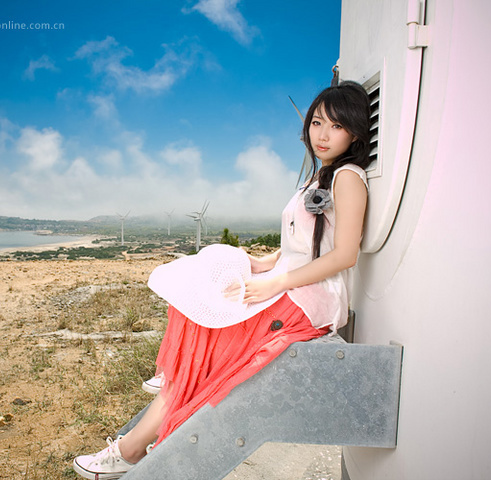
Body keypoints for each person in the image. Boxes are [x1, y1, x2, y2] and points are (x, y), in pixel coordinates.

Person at [73, 80, 372, 479]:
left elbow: (344, 254)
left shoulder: (347, 177)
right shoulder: (320, 176)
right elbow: (303, 244)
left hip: (308, 299)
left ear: (354, 132)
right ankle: (167, 386)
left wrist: (275, 284)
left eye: (336, 127)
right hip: (292, 283)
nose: (322, 134)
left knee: (206, 343)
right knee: (213, 264)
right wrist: (262, 262)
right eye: (317, 122)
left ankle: (131, 448)